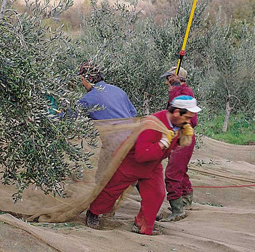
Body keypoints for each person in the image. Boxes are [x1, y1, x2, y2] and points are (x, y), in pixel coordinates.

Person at [85, 96, 201, 235]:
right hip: (131, 163)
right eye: (187, 117)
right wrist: (161, 144)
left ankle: (142, 225)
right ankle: (93, 213)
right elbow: (141, 155)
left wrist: (182, 139)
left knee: (157, 194)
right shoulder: (152, 124)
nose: (189, 121)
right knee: (111, 190)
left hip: (153, 165)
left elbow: (170, 146)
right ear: (177, 112)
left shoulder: (178, 125)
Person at [158, 66, 198, 221]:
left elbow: (191, 120)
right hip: (179, 137)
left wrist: (175, 88)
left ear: (174, 78)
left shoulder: (185, 93)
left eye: (168, 79)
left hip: (183, 137)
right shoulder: (182, 91)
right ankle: (186, 201)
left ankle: (177, 210)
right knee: (180, 171)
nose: (166, 83)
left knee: (172, 173)